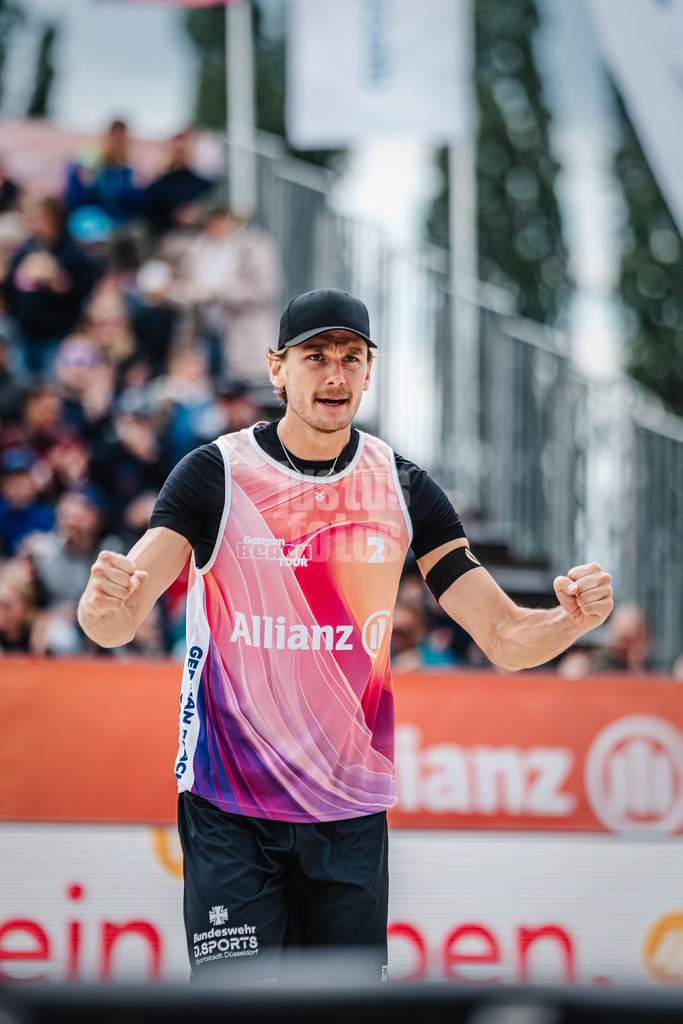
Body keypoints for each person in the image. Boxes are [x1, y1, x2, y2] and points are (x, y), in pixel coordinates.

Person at [77, 288, 613, 983]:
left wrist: (570, 620)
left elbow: (507, 638)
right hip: (229, 804)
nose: (333, 375)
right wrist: (101, 603)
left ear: (368, 372)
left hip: (348, 813)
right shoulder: (216, 474)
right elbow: (118, 618)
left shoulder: (402, 487)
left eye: (350, 358)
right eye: (315, 357)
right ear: (277, 369)